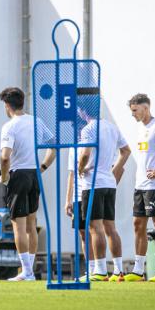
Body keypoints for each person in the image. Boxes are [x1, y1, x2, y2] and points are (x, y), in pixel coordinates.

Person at [0, 87, 55, 281]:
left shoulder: (9, 126)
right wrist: (43, 166)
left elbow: (5, 157)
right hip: (34, 174)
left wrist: (4, 177)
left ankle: (27, 272)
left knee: (19, 226)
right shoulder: (36, 121)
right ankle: (29, 271)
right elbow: (53, 145)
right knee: (32, 224)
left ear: (7, 106)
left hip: (18, 175)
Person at [78, 107, 131, 282]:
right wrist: (114, 170)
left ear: (83, 111)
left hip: (93, 183)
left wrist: (80, 168)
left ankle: (100, 270)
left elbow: (85, 154)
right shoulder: (111, 127)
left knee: (95, 228)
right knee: (110, 228)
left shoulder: (88, 129)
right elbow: (126, 151)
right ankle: (118, 270)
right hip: (108, 182)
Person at [124, 94, 155, 282]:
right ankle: (138, 270)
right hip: (140, 185)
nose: (133, 114)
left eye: (135, 110)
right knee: (138, 225)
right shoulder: (139, 128)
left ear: (146, 107)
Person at [65, 147, 91, 281]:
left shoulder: (92, 138)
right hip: (78, 196)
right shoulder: (72, 147)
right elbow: (71, 174)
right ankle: (90, 270)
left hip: (91, 191)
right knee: (83, 233)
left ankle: (99, 269)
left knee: (95, 230)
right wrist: (68, 200)